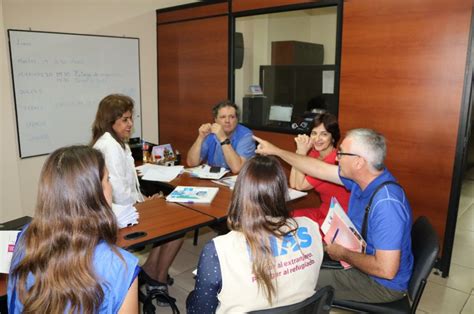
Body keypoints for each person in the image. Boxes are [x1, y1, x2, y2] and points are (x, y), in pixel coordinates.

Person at [254, 128, 413, 303]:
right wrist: (276, 151)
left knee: (294, 278)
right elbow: (317, 168)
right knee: (299, 259)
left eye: (342, 153)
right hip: (362, 259)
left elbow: (386, 270)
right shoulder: (364, 179)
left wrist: (343, 253)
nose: (337, 158)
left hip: (381, 284)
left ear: (359, 162)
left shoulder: (386, 205)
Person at [8, 145, 138, 313]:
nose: (110, 186)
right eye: (108, 180)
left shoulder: (26, 238)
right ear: (95, 194)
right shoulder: (122, 267)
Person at [186, 155, 323, 313]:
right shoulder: (311, 227)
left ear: (241, 194)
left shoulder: (218, 250)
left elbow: (201, 311)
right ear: (282, 192)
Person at [91, 94, 183, 303]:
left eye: (131, 118)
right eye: (125, 119)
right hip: (117, 215)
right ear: (110, 121)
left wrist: (144, 199)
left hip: (127, 207)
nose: (130, 124)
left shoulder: (119, 143)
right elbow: (118, 192)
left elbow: (129, 185)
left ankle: (153, 273)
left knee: (174, 224)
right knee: (175, 229)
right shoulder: (109, 147)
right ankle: (155, 278)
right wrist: (144, 203)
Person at [289, 113, 350, 227]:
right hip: (324, 210)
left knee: (296, 226)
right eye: (314, 133)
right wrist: (299, 153)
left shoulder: (334, 159)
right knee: (289, 219)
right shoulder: (314, 154)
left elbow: (301, 186)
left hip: (340, 217)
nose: (317, 139)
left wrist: (301, 153)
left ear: (333, 138)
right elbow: (294, 184)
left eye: (324, 134)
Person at [186, 100, 255, 174]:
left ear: (237, 119)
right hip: (212, 178)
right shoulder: (211, 133)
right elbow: (191, 163)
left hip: (234, 181)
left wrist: (223, 138)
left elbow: (237, 169)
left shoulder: (246, 136)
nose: (227, 121)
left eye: (232, 117)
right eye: (223, 117)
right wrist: (200, 137)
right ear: (215, 120)